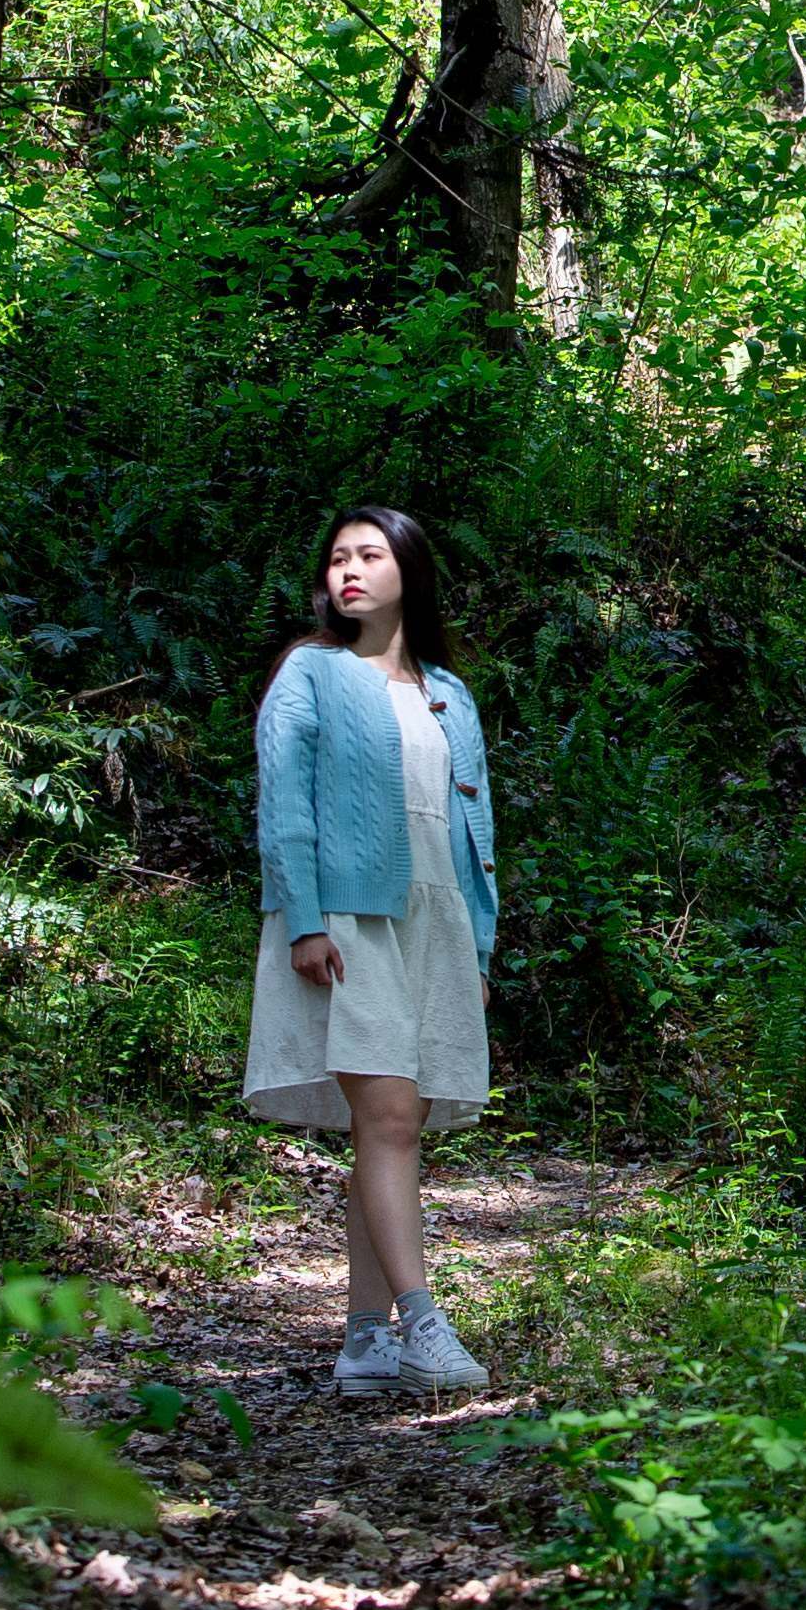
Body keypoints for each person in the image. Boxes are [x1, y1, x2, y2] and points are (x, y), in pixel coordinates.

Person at [245, 505, 498, 1400]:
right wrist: (304, 919)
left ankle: (363, 1339)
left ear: (409, 572)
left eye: (370, 554)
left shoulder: (449, 692)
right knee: (388, 1120)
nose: (349, 569)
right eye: (338, 557)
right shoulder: (309, 673)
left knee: (393, 1131)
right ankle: (424, 1326)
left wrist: (481, 943)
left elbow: (474, 829)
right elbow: (286, 806)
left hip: (436, 925)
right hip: (350, 920)